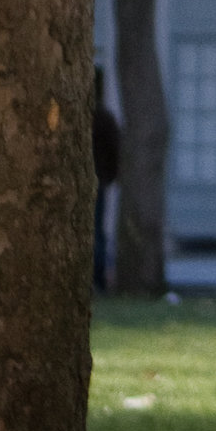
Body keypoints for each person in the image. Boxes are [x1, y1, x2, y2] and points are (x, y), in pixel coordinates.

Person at [92, 70, 123, 291]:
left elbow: (115, 150)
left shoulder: (101, 118)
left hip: (98, 180)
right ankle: (98, 277)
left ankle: (98, 275)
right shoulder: (104, 117)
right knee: (97, 230)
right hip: (100, 180)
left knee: (97, 231)